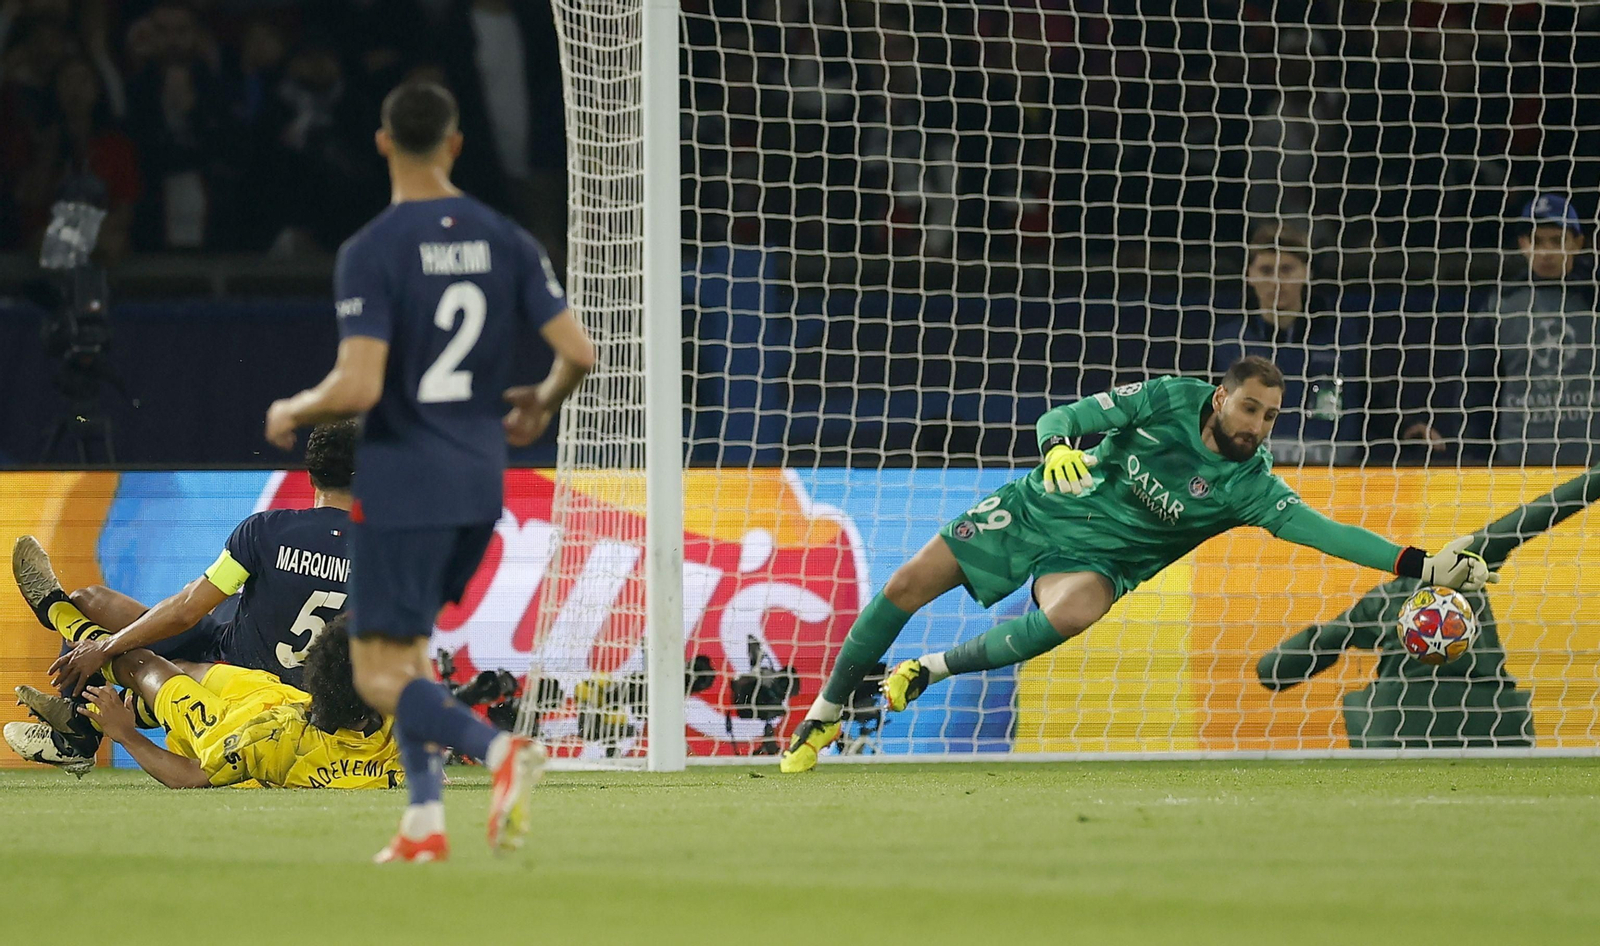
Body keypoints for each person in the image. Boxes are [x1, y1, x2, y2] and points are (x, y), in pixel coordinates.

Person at [780, 357, 1499, 773]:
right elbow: (1063, 418)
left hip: (1097, 561)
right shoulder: (1167, 398)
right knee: (905, 584)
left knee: (1074, 611)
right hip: (1039, 508)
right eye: (1249, 409)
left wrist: (1425, 566)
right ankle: (823, 714)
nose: (1256, 426)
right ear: (1221, 397)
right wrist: (1058, 449)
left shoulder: (1251, 487)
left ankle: (926, 671)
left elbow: (1330, 534)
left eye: (1270, 417)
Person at [263, 80, 595, 862]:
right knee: (409, 655)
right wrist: (542, 402)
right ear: (455, 144)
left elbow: (359, 385)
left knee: (373, 673)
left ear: (383, 143)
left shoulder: (372, 250)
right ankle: (423, 821)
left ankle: (502, 750)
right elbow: (579, 353)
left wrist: (293, 407)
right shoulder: (508, 239)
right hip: (481, 481)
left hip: (404, 483)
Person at [19, 421, 358, 773]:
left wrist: (106, 647)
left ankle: (58, 629)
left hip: (237, 682)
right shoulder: (384, 556)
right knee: (91, 600)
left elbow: (187, 610)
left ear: (309, 474)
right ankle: (77, 725)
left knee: (139, 660)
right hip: (242, 654)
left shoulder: (266, 530)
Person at [1258, 466, 1600, 748]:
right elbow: (1536, 515)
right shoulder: (1471, 562)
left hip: (1397, 724)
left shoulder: (1381, 601)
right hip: (1493, 720)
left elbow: (1274, 670)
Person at [7, 615, 402, 790]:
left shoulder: (264, 740)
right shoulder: (402, 737)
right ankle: (81, 725)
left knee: (147, 666)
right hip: (275, 696)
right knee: (182, 667)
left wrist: (125, 735)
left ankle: (61, 616)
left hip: (225, 724)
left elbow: (188, 776)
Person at [1404, 193, 1598, 464]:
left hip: (1591, 464)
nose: (1546, 252)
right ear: (1523, 244)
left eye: (1557, 241)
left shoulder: (1593, 301)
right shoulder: (1501, 305)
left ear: (1577, 243)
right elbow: (1477, 388)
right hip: (1517, 466)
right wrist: (1474, 456)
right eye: (1537, 241)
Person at [1210, 223, 1366, 466]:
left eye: (1286, 270)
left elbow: (1374, 398)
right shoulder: (1226, 342)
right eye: (1266, 270)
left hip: (1332, 472)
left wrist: (1410, 425)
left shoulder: (1343, 337)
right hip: (1248, 472)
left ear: (1307, 272)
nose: (1276, 281)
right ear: (1249, 275)